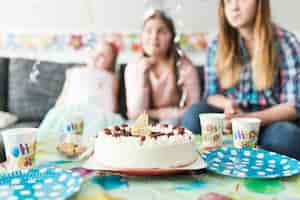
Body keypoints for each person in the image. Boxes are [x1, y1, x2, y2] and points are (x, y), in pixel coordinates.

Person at [182, 0, 300, 160]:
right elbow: (212, 94)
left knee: (287, 137)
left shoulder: (286, 41)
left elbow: (293, 107)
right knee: (193, 114)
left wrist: (247, 120)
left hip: (270, 121)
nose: (234, 7)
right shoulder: (216, 43)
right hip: (231, 116)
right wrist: (227, 105)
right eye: (228, 1)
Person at [125, 10, 200, 124]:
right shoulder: (133, 68)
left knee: (172, 121)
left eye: (161, 31)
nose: (154, 36)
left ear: (172, 38)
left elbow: (193, 111)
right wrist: (143, 77)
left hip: (176, 124)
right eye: (148, 31)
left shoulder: (185, 68)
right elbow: (135, 113)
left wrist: (153, 113)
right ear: (142, 36)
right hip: (145, 125)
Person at [39, 41, 124, 140]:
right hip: (69, 110)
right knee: (51, 134)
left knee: (93, 133)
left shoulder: (108, 76)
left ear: (111, 63)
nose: (96, 56)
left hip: (95, 113)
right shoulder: (74, 72)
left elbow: (110, 102)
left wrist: (109, 116)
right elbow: (64, 95)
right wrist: (56, 111)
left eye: (103, 56)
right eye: (95, 51)